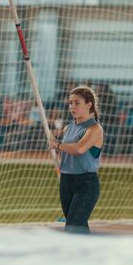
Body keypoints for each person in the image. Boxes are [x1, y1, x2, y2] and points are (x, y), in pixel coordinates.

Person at [49, 86, 103, 234]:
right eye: (70, 103)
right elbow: (67, 153)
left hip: (86, 184)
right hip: (66, 181)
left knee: (73, 227)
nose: (72, 106)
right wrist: (57, 151)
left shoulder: (94, 129)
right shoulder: (68, 128)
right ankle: (89, 255)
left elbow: (79, 149)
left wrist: (59, 145)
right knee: (79, 227)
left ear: (88, 104)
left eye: (77, 103)